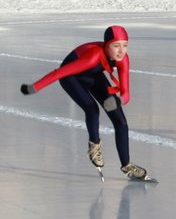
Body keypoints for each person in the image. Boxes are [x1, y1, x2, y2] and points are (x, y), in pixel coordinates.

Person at [20, 25, 150, 180]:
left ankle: (126, 165)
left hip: (93, 75)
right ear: (107, 45)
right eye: (116, 46)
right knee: (92, 109)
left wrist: (117, 101)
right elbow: (59, 73)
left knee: (120, 120)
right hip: (71, 77)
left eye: (125, 45)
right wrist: (33, 88)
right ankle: (94, 145)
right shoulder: (93, 56)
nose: (121, 51)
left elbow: (126, 94)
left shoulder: (123, 59)